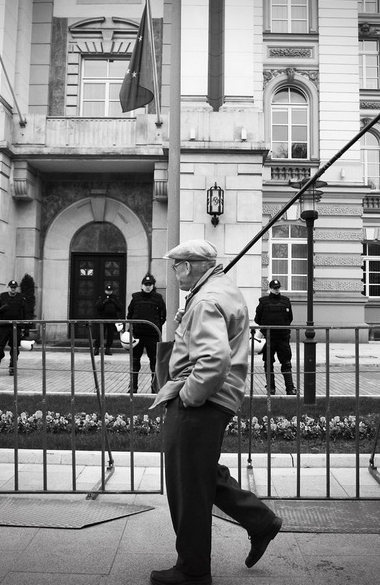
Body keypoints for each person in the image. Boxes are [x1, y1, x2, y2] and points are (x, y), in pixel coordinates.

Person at [148, 239, 282, 585]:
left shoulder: (207, 299)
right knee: (200, 472)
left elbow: (213, 360)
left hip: (202, 401)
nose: (174, 271)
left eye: (176, 265)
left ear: (190, 265)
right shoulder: (218, 290)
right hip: (216, 400)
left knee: (187, 485)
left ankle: (192, 570)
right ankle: (261, 522)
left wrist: (189, 397)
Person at [254, 278, 296, 395]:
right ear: (270, 289)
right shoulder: (264, 302)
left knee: (286, 363)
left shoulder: (285, 301)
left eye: (278, 288)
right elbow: (258, 319)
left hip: (282, 337)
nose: (277, 290)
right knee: (268, 363)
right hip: (270, 338)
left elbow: (289, 318)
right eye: (275, 288)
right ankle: (271, 388)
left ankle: (289, 388)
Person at [126, 273, 166, 393]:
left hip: (152, 335)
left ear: (153, 286)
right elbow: (130, 314)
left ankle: (154, 387)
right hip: (137, 334)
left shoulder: (158, 298)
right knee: (134, 361)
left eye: (150, 285)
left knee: (154, 361)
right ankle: (133, 387)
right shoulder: (136, 298)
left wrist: (156, 326)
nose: (148, 287)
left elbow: (163, 316)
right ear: (141, 285)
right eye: (145, 284)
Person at [0, 279, 29, 377]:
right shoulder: (2, 297)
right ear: (8, 287)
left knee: (15, 349)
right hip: (3, 327)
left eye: (15, 288)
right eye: (11, 287)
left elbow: (25, 313)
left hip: (16, 327)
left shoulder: (21, 298)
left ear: (17, 288)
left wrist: (26, 327)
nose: (13, 289)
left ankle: (12, 368)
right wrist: (1, 309)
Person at [93, 283, 122, 355]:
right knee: (100, 334)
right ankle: (96, 348)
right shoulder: (102, 297)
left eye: (110, 290)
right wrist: (104, 302)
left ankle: (108, 349)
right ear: (105, 290)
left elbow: (120, 307)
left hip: (112, 319)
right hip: (102, 319)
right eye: (107, 290)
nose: (109, 292)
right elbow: (97, 306)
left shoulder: (115, 297)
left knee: (110, 335)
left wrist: (114, 302)